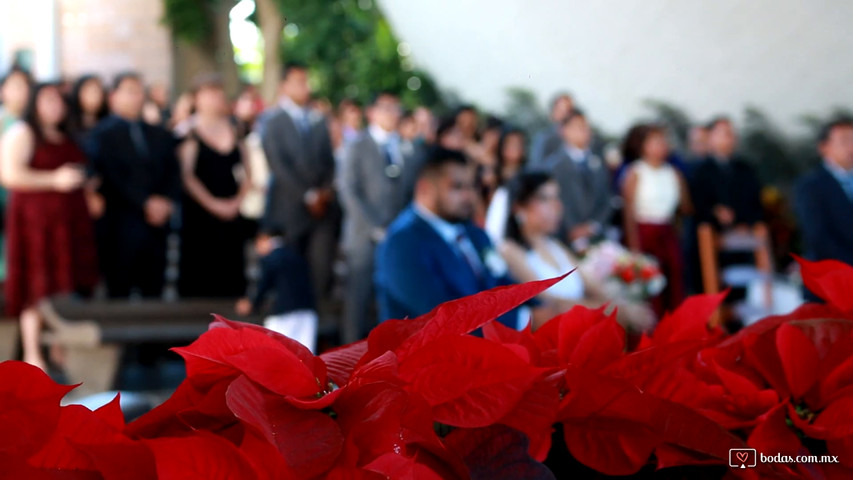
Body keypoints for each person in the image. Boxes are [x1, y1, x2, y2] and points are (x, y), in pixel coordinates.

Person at [374, 148, 553, 328]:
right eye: (457, 187)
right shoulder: (401, 243)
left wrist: (541, 308)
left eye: (471, 186)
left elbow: (500, 282)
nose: (469, 196)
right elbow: (440, 317)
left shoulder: (475, 234)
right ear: (425, 188)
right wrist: (524, 320)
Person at [0, 83, 99, 370]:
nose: (55, 106)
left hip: (65, 223)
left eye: (58, 100)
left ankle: (57, 346)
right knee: (36, 286)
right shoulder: (22, 132)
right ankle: (33, 353)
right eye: (47, 100)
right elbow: (10, 174)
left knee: (62, 283)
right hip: (34, 223)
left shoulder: (67, 135)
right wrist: (53, 180)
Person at [499, 172, 655, 331]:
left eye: (556, 198)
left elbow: (594, 288)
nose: (557, 206)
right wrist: (619, 312)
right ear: (519, 207)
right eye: (545, 199)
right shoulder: (510, 251)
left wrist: (627, 303)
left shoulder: (556, 247)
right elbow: (548, 304)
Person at [339, 92, 425, 343]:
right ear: (372, 112)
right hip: (363, 236)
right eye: (386, 107)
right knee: (358, 300)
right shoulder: (357, 145)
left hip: (398, 237)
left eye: (396, 107)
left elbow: (412, 193)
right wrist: (375, 227)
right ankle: (346, 366)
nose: (392, 113)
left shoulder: (406, 147)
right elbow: (348, 190)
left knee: (394, 301)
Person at [86, 72, 180, 298]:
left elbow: (173, 170)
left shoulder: (158, 133)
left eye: (140, 92)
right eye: (130, 91)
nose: (137, 97)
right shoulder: (100, 134)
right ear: (113, 97)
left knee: (154, 288)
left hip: (157, 224)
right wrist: (144, 202)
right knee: (119, 287)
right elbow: (110, 175)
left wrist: (166, 201)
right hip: (120, 222)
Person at [260, 62, 340, 305]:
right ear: (284, 86)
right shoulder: (273, 121)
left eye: (307, 81)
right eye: (299, 82)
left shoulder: (317, 120)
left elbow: (329, 161)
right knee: (292, 277)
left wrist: (323, 192)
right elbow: (279, 165)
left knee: (320, 270)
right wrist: (306, 195)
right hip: (290, 212)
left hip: (321, 211)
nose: (305, 87)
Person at [177, 74, 251, 298]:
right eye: (208, 93)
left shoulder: (236, 129)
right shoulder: (188, 132)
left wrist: (236, 201)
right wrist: (214, 205)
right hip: (200, 217)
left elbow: (248, 172)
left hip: (231, 212)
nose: (215, 98)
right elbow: (187, 176)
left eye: (218, 92)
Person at [621, 124, 692, 317]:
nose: (661, 146)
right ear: (643, 145)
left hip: (667, 233)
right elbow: (628, 213)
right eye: (655, 142)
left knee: (674, 281)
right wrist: (634, 248)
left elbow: (685, 208)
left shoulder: (674, 173)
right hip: (645, 234)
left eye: (663, 141)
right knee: (649, 285)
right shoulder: (635, 172)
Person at [540, 110, 613, 253]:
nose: (583, 131)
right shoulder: (553, 166)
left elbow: (607, 199)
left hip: (595, 239)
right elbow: (552, 202)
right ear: (564, 130)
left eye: (585, 127)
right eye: (577, 126)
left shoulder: (598, 162)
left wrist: (593, 226)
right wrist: (571, 229)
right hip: (563, 240)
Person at [236, 230, 317, 352]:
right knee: (305, 356)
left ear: (264, 239)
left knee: (275, 353)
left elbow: (263, 285)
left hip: (284, 313)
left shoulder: (271, 258)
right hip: (307, 311)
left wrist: (252, 303)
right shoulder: (296, 255)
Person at [795, 118, 853, 268]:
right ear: (823, 147)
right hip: (834, 276)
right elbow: (818, 239)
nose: (851, 146)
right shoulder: (810, 186)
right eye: (844, 141)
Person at [690, 117, 763, 230]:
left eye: (732, 134)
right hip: (713, 233)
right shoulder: (699, 171)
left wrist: (743, 220)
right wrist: (716, 212)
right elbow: (697, 205)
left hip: (746, 231)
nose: (731, 138)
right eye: (726, 134)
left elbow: (755, 202)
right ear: (711, 138)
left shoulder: (746, 169)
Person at [485, 128, 528, 245]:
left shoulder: (528, 176)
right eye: (511, 144)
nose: (516, 148)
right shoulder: (490, 177)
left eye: (519, 144)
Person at [529, 93, 573, 168]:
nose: (565, 115)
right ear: (553, 112)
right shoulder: (544, 137)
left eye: (568, 111)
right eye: (560, 110)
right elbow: (537, 166)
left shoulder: (584, 139)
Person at [66, 75, 109, 146]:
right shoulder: (69, 125)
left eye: (98, 91)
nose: (95, 96)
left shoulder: (108, 124)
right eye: (89, 91)